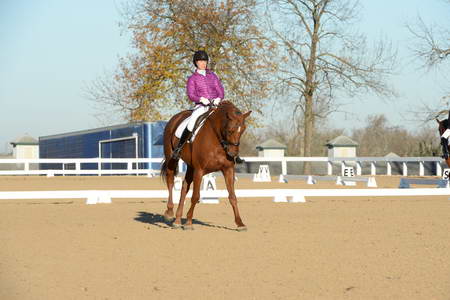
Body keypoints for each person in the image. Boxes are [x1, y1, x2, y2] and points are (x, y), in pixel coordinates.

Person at [171, 50, 244, 163]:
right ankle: (179, 148)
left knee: (231, 123)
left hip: (215, 105)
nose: (203, 63)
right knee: (191, 123)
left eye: (204, 61)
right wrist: (201, 99)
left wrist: (219, 98)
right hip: (201, 106)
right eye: (200, 61)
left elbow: (220, 89)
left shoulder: (213, 76)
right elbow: (191, 95)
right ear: (196, 63)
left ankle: (235, 153)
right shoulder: (192, 78)